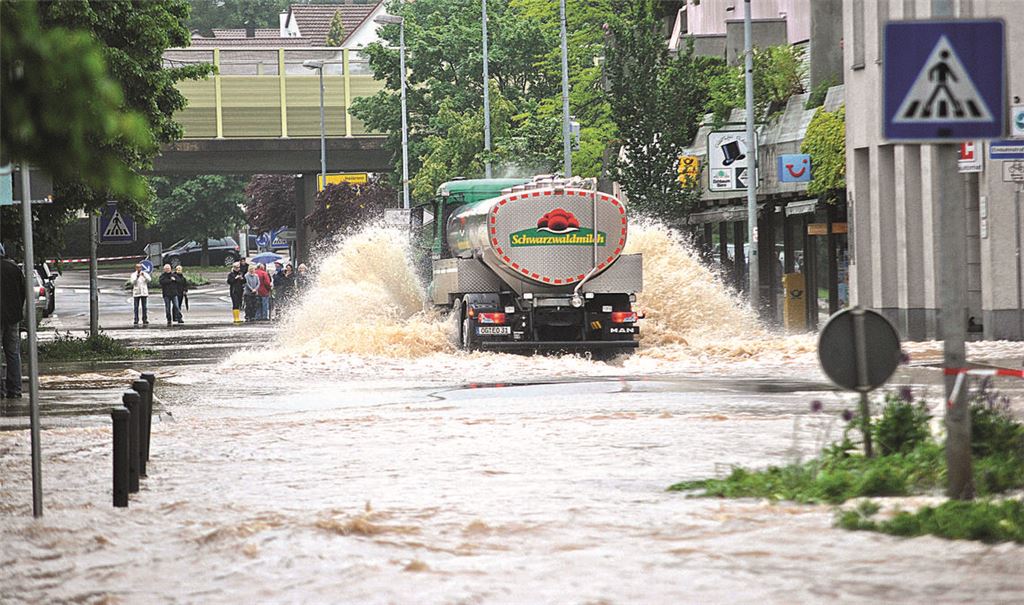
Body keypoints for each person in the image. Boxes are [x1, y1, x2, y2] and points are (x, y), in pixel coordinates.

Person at [0, 243, 25, 398]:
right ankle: (15, 389)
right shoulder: (14, 268)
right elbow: (23, 292)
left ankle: (0, 390)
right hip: (13, 317)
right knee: (13, 353)